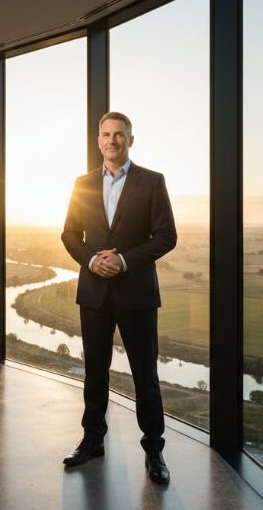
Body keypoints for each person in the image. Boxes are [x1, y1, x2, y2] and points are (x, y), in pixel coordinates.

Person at [60, 111, 177, 485]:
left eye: (119, 135)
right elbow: (69, 235)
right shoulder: (82, 183)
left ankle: (154, 451)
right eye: (106, 135)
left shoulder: (152, 182)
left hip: (136, 294)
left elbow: (166, 236)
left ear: (131, 139)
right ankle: (92, 441)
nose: (112, 141)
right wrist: (93, 260)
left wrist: (124, 261)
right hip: (94, 293)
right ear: (98, 140)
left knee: (146, 375)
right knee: (94, 372)